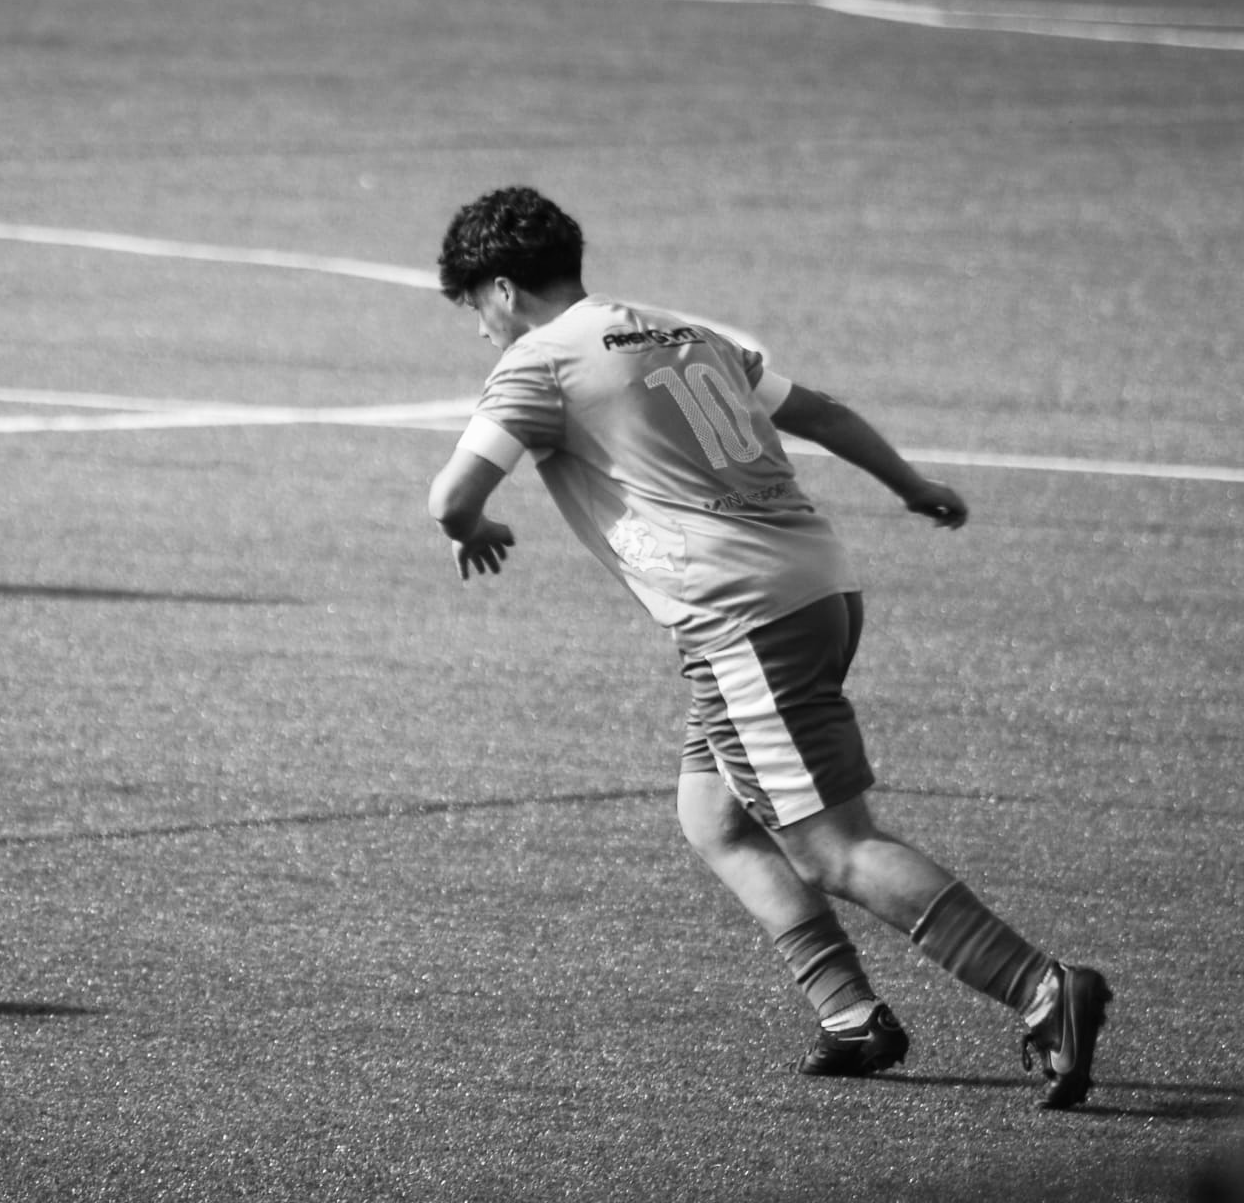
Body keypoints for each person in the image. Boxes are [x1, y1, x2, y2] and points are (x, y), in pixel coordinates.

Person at [425, 185, 1111, 1109]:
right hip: (817, 587)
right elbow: (820, 413)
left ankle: (1041, 989)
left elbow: (450, 498)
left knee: (834, 848)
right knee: (716, 818)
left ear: (503, 289)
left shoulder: (537, 361)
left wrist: (472, 528)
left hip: (744, 616)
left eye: (474, 306)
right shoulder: (680, 331)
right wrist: (909, 484)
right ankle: (850, 1016)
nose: (480, 329)